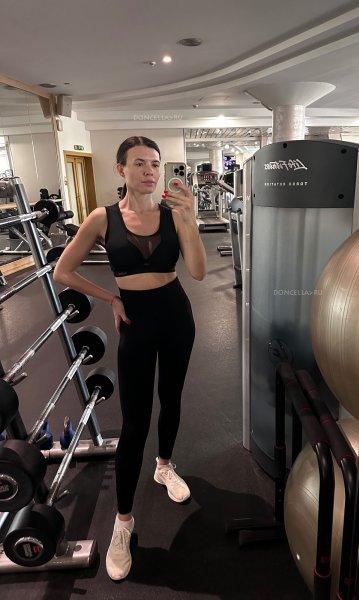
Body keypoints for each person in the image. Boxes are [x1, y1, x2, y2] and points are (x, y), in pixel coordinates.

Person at [53, 136, 207, 581]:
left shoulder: (174, 215)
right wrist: (111, 299)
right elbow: (64, 270)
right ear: (121, 169)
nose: (149, 171)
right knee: (135, 422)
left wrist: (190, 219)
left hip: (176, 317)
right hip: (135, 322)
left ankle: (164, 467)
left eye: (155, 164)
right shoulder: (102, 218)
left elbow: (198, 272)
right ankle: (123, 522)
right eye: (139, 163)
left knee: (171, 399)